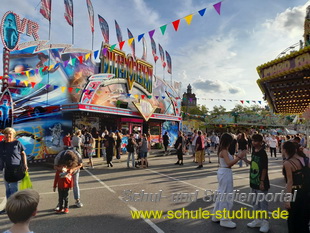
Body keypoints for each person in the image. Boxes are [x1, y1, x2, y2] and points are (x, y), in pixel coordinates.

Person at [212, 133, 246, 228]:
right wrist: (239, 157)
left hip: (224, 172)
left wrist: (239, 157)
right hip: (225, 172)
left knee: (222, 194)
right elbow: (229, 164)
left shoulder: (224, 150)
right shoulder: (224, 151)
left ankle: (217, 215)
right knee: (226, 195)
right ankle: (224, 219)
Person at [243, 134, 270, 233]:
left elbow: (264, 168)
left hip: (261, 182)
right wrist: (246, 160)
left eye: (256, 141)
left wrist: (262, 181)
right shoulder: (254, 151)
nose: (253, 143)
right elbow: (254, 163)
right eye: (253, 141)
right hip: (253, 181)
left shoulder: (263, 153)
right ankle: (257, 220)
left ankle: (265, 223)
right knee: (255, 203)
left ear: (260, 142)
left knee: (263, 203)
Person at [282, 141, 310, 233]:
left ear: (285, 150)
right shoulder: (305, 159)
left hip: (295, 193)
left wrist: (287, 200)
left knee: (293, 219)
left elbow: (290, 182)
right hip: (306, 192)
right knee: (304, 219)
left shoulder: (288, 163)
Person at [0, 127, 28, 214]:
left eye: (10, 134)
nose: (8, 135)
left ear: (13, 135)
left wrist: (25, 165)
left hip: (15, 169)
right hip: (5, 169)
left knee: (13, 189)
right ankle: (9, 207)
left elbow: (23, 154)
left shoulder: (17, 143)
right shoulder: (1, 144)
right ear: (4, 135)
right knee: (8, 189)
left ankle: (15, 208)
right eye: (6, 134)